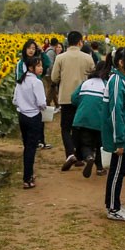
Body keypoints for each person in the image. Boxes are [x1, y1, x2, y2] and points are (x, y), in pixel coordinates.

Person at [101, 47, 125, 221]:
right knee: (116, 171)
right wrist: (119, 140)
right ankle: (113, 208)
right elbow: (115, 112)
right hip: (121, 138)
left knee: (121, 170)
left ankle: (115, 204)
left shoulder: (123, 80)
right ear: (122, 62)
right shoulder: (116, 81)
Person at [50, 31, 95, 171]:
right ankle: (80, 157)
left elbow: (54, 78)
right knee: (79, 127)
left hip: (66, 97)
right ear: (80, 42)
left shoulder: (60, 57)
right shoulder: (87, 58)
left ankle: (70, 154)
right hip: (83, 97)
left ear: (67, 42)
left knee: (65, 127)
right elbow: (93, 75)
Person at [70, 58, 110, 178]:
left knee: (86, 143)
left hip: (83, 119)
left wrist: (83, 105)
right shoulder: (107, 85)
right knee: (99, 145)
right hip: (99, 121)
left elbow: (73, 98)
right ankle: (99, 168)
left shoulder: (86, 83)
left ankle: (89, 157)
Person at [13, 56, 47, 189]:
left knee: (27, 146)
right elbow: (42, 103)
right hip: (33, 116)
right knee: (31, 148)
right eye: (38, 66)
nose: (41, 68)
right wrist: (42, 108)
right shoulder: (36, 83)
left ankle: (29, 175)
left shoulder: (20, 80)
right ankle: (27, 178)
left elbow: (15, 100)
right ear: (31, 68)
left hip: (22, 116)